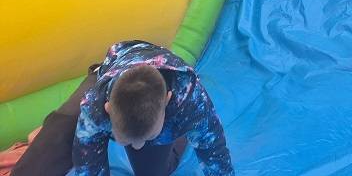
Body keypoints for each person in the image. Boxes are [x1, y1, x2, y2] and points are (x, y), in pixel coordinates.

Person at [12, 40, 233, 176]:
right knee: (57, 134)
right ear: (108, 109)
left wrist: (182, 129)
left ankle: (176, 136)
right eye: (126, 139)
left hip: (169, 92)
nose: (137, 147)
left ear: (167, 100)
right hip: (109, 71)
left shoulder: (191, 101)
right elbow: (89, 168)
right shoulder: (94, 107)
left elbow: (217, 158)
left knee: (153, 172)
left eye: (147, 137)